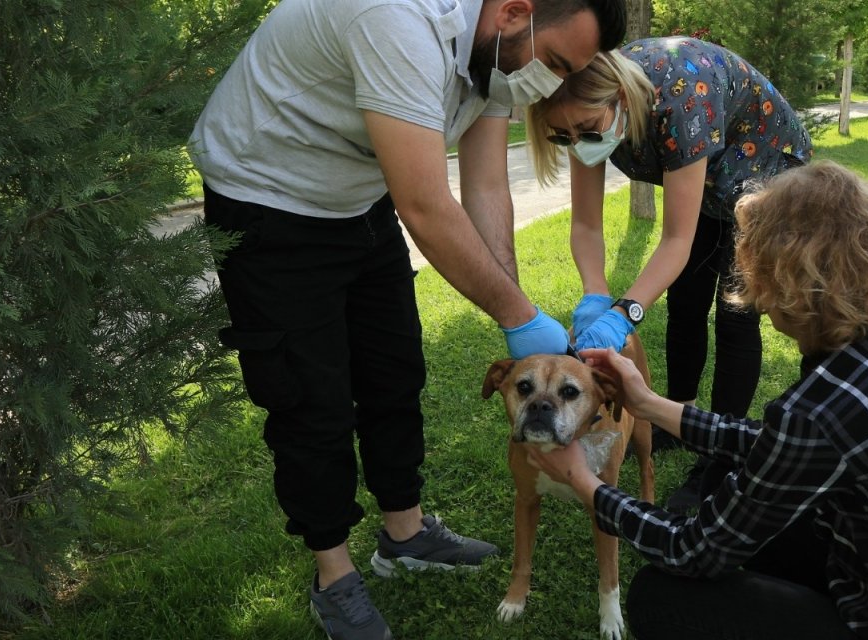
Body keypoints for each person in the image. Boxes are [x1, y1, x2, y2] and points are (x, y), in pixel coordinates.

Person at [188, 0, 625, 638]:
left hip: (357, 194)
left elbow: (483, 189)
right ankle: (333, 577)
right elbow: (424, 203)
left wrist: (516, 310)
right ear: (515, 11)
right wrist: (517, 314)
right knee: (312, 398)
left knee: (394, 371)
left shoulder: (497, 57)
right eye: (555, 62)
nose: (551, 85)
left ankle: (405, 534)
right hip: (269, 194)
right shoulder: (395, 18)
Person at [529, 162, 868, 639]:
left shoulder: (821, 410)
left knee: (661, 597)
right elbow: (783, 447)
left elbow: (691, 551)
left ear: (786, 280)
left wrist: (584, 481)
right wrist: (650, 404)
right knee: (714, 479)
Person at [523, 37, 813, 512]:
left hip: (764, 170)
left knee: (735, 315)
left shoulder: (681, 101)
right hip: (707, 176)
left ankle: (720, 459)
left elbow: (675, 239)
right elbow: (586, 222)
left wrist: (623, 314)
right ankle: (678, 417)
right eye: (561, 136)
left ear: (619, 100)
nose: (577, 144)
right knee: (684, 302)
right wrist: (596, 294)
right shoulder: (579, 109)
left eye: (585, 131)